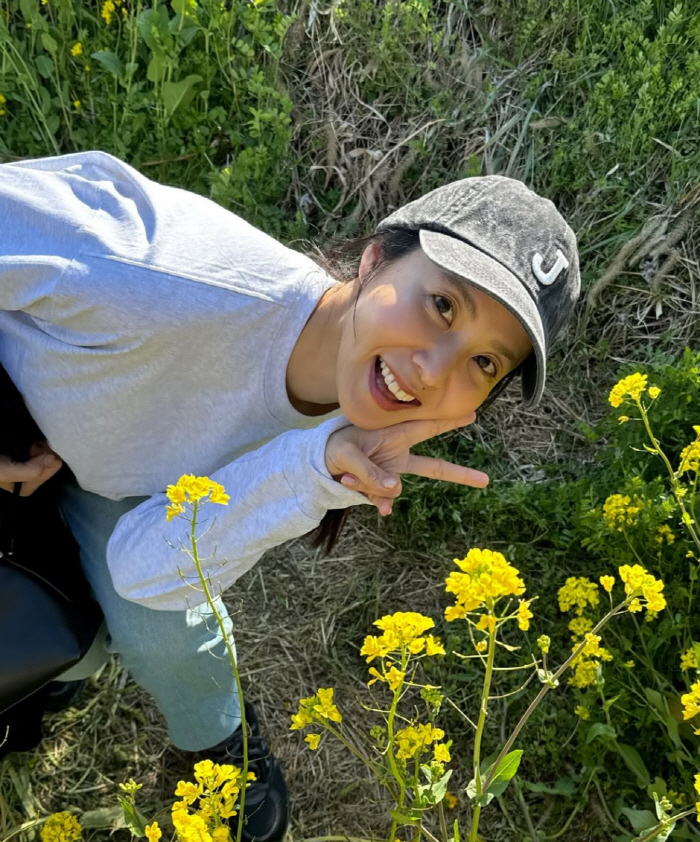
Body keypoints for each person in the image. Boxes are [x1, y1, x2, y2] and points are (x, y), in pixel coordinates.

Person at [0, 151, 580, 840]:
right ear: (374, 261)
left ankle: (214, 743)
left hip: (105, 478)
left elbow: (142, 570)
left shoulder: (337, 439)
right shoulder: (150, 266)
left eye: (484, 361)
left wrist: (308, 473)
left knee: (160, 635)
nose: (431, 370)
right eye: (442, 304)